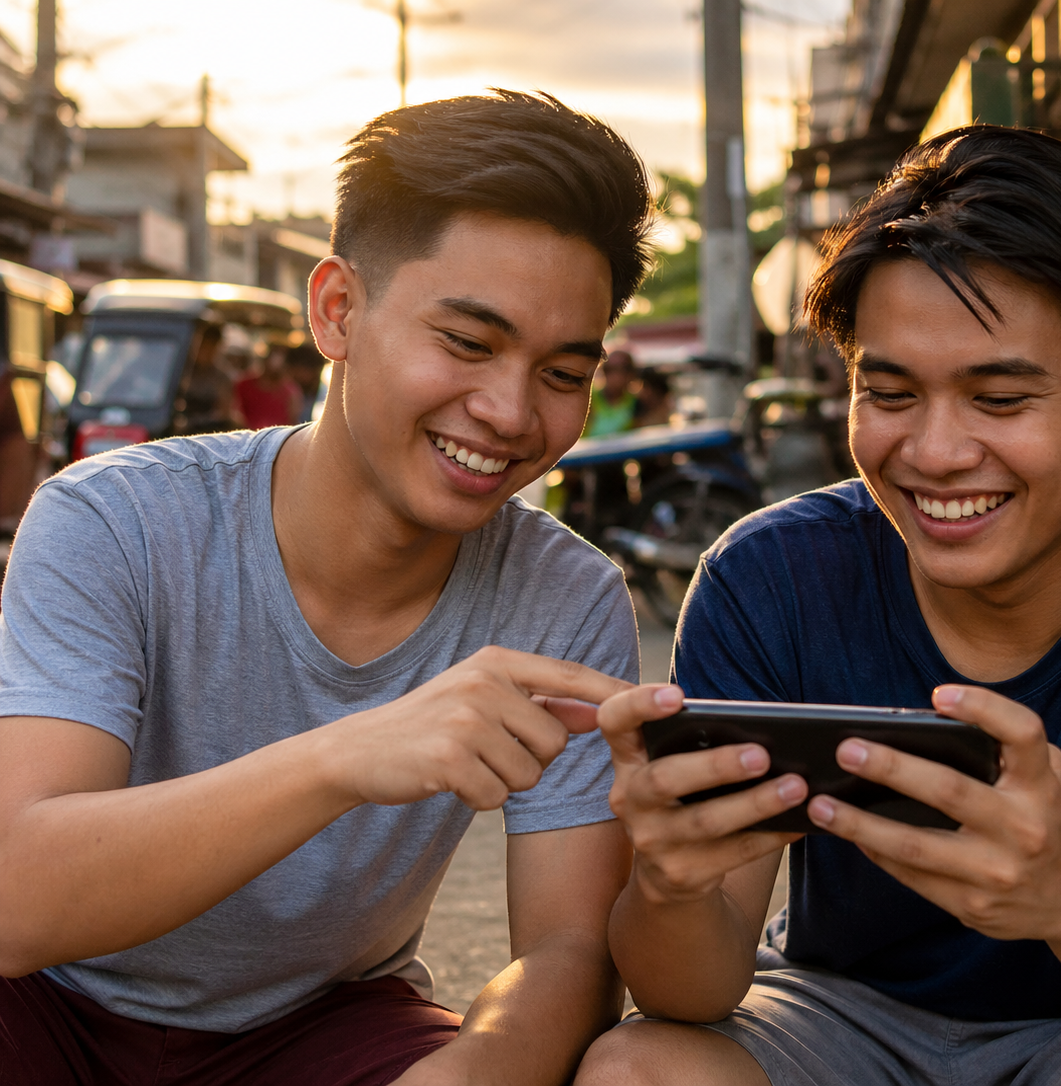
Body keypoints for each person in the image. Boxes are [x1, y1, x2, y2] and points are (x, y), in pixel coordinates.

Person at [580, 126, 1061, 1086]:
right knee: (639, 1067)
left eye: (999, 399)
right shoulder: (770, 575)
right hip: (832, 1012)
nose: (937, 453)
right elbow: (687, 996)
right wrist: (667, 881)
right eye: (891, 391)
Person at [0, 90, 654, 1086]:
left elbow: (564, 951)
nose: (509, 413)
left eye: (563, 373)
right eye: (469, 344)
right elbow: (17, 898)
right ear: (337, 309)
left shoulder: (563, 597)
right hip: (47, 1001)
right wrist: (346, 756)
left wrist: (481, 1065)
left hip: (321, 1025)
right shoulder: (113, 523)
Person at [235, 344, 305, 429]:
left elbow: (293, 420)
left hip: (278, 439)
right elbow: (235, 413)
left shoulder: (291, 392)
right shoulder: (244, 385)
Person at [583, 348, 637, 437]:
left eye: (620, 369)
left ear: (631, 373)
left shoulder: (638, 403)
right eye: (609, 369)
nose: (613, 376)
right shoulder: (589, 396)